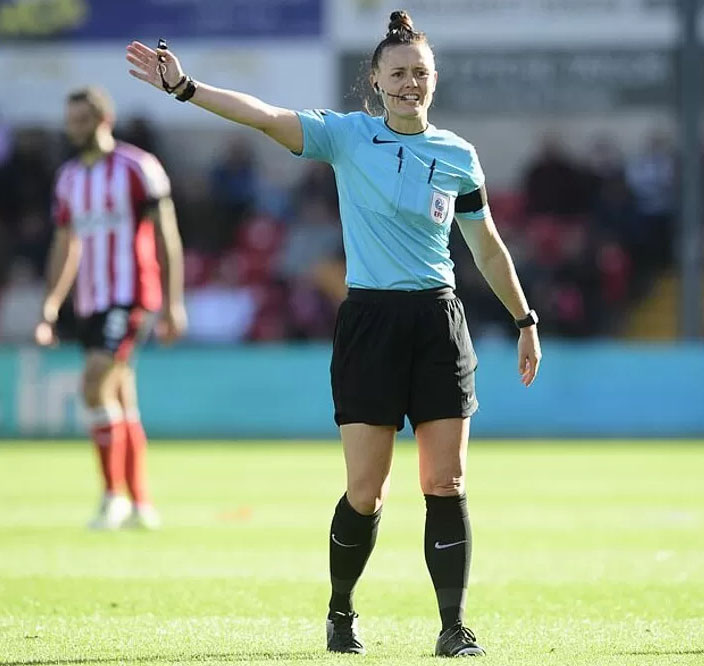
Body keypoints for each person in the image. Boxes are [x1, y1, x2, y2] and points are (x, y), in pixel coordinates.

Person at [126, 10, 541, 656]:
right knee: (366, 491)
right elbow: (265, 117)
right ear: (375, 81)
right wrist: (186, 88)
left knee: (446, 482)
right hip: (370, 324)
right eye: (397, 74)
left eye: (420, 73)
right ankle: (341, 610)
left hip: (439, 322)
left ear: (434, 80)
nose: (410, 83)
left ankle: (453, 627)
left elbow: (485, 246)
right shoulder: (346, 137)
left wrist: (524, 319)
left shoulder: (458, 155)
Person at [35, 87, 187, 530]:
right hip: (89, 300)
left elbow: (167, 235)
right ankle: (141, 504)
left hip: (131, 294)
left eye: (82, 120)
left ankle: (112, 497)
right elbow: (64, 245)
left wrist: (173, 303)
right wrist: (50, 305)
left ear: (104, 120)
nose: (74, 129)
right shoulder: (68, 178)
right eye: (70, 121)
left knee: (92, 382)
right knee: (119, 397)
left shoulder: (138, 167)